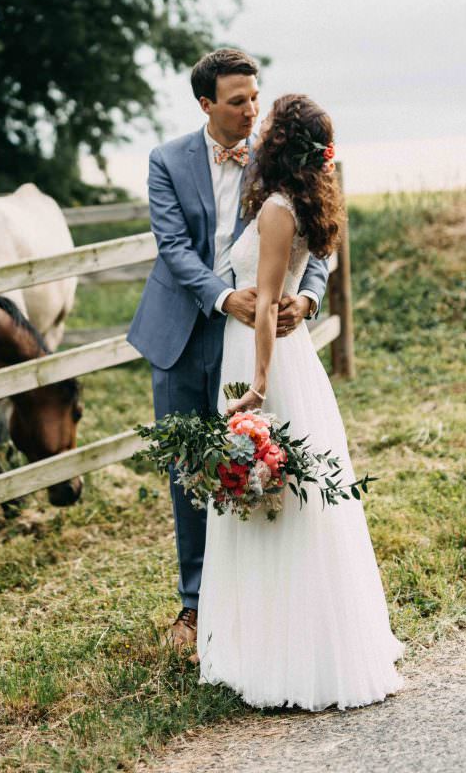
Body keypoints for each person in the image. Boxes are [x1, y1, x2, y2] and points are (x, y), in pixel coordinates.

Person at [196, 93, 404, 710]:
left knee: (273, 497)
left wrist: (257, 386)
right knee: (277, 495)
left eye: (268, 128)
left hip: (265, 363)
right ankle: (271, 637)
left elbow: (262, 304)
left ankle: (282, 650)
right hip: (284, 359)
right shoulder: (306, 204)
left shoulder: (280, 210)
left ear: (278, 144)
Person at [127, 50, 329, 647]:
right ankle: (195, 606)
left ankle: (258, 603)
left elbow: (318, 236)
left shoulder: (272, 158)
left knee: (258, 463)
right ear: (206, 104)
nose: (251, 110)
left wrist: (308, 300)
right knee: (190, 465)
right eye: (237, 100)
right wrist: (223, 299)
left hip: (255, 340)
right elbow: (173, 247)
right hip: (183, 331)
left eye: (255, 97)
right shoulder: (166, 160)